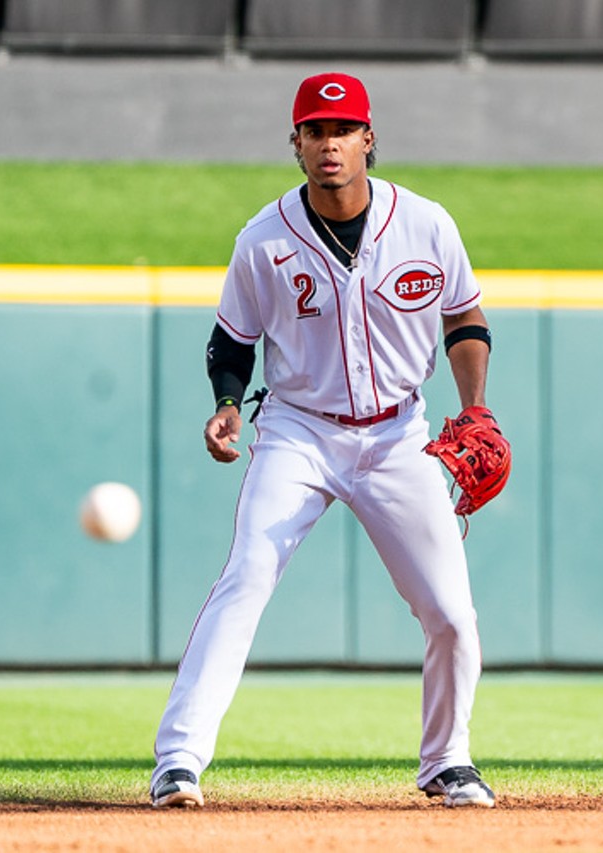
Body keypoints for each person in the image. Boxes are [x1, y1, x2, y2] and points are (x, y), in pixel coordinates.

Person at [150, 72, 500, 810]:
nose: (329, 144)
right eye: (315, 131)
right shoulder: (263, 238)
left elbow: (464, 320)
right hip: (299, 433)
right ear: (297, 143)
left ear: (369, 139)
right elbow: (231, 342)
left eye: (342, 130)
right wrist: (225, 405)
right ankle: (178, 761)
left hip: (400, 436)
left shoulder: (427, 223)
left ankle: (448, 759)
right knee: (245, 575)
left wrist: (477, 409)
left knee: (450, 611)